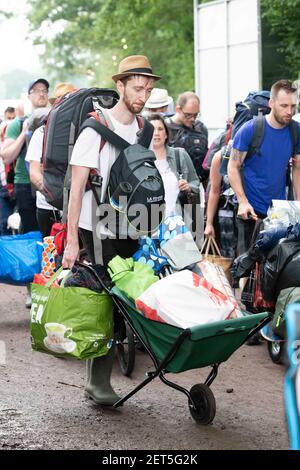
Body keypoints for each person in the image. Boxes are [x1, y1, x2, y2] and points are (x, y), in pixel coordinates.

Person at [62, 55, 161, 406]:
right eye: (137, 88)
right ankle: (98, 380)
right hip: (96, 226)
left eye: (148, 89)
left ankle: (98, 377)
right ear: (119, 86)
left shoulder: (144, 131)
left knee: (123, 296)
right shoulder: (94, 129)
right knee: (105, 298)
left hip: (130, 224)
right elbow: (76, 189)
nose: (144, 95)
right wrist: (72, 240)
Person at [228, 79, 300, 255]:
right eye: (284, 106)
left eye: (293, 106)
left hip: (278, 210)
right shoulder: (250, 129)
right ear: (271, 103)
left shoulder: (296, 130)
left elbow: (297, 168)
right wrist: (243, 201)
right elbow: (233, 165)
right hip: (250, 210)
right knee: (247, 266)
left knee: (275, 267)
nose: (289, 111)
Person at [25, 82, 77, 237]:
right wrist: (55, 196)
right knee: (50, 254)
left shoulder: (84, 132)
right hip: (48, 207)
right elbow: (34, 173)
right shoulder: (42, 132)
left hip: (78, 208)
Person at [0, 78, 50, 234]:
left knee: (51, 234)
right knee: (32, 233)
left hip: (50, 182)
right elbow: (6, 156)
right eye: (36, 91)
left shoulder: (54, 119)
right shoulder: (18, 123)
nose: (41, 94)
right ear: (29, 96)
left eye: (44, 90)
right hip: (25, 184)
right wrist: (23, 133)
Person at [148, 113, 199, 218]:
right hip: (149, 223)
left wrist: (188, 187)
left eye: (160, 129)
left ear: (166, 134)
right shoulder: (140, 160)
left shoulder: (180, 155)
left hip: (177, 222)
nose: (156, 133)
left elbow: (195, 182)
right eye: (152, 129)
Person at [165, 91, 208, 182]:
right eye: (188, 115)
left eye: (196, 115)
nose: (192, 119)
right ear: (178, 109)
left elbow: (204, 164)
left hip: (194, 186)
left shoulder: (201, 129)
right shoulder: (164, 128)